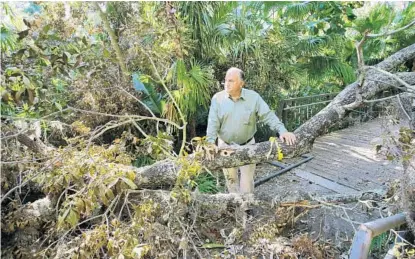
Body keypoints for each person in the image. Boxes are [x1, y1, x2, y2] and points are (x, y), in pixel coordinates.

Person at [206, 67, 296, 194]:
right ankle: (236, 206)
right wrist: (209, 142)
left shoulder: (253, 98)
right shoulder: (217, 99)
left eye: (231, 81)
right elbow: (212, 122)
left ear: (241, 83)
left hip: (248, 145)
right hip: (225, 146)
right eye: (225, 80)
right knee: (231, 181)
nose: (226, 84)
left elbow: (268, 116)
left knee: (247, 182)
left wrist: (282, 130)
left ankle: (247, 208)